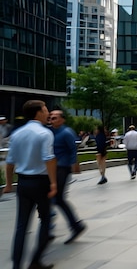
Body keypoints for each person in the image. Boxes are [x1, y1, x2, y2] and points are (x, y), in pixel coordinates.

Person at [3, 100, 57, 269]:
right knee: (46, 220)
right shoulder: (45, 133)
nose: (48, 112)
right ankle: (35, 261)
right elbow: (49, 159)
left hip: (23, 182)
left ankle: (17, 265)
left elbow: (10, 162)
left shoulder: (17, 134)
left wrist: (9, 184)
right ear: (39, 112)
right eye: (46, 109)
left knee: (21, 226)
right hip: (41, 182)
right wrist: (54, 183)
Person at [48, 110, 86, 244]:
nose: (52, 120)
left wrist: (74, 165)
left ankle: (74, 225)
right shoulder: (50, 132)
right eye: (50, 118)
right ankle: (73, 225)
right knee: (55, 199)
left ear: (62, 119)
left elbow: (72, 149)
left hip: (62, 168)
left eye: (55, 118)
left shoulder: (66, 132)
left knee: (57, 198)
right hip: (52, 168)